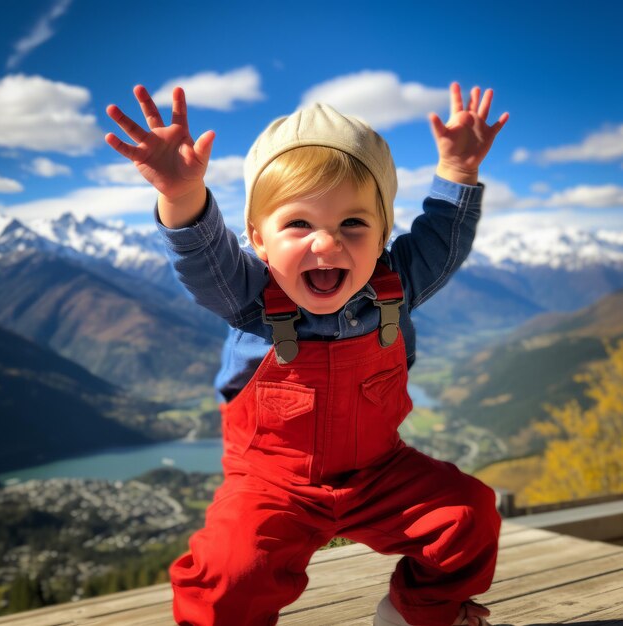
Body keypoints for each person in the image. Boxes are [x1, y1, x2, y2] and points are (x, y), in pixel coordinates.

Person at [106, 82, 509, 626]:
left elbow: (442, 236)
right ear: (257, 237)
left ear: (384, 232)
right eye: (298, 223)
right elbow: (202, 258)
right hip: (270, 483)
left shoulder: (398, 283)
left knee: (469, 515)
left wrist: (459, 168)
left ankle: (414, 614)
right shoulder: (247, 296)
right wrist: (180, 195)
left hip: (378, 472)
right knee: (231, 570)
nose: (327, 243)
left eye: (353, 223)